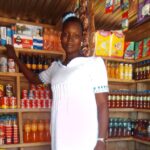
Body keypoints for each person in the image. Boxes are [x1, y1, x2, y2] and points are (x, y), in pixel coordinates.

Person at [6, 11, 109, 150]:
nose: (70, 39)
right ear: (61, 37)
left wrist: (101, 140)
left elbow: (102, 104)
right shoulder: (55, 67)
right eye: (66, 34)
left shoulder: (94, 64)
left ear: (82, 39)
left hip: (85, 139)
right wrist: (15, 58)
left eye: (76, 36)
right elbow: (34, 78)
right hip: (59, 137)